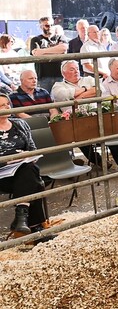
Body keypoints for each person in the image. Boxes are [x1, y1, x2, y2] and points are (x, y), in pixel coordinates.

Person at [0, 94, 56, 242]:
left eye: (7, 104)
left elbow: (33, 149)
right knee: (33, 179)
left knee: (30, 171)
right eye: (1, 106)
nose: (6, 108)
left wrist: (26, 156)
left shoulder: (20, 124)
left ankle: (22, 220)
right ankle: (34, 227)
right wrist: (8, 161)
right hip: (2, 176)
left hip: (22, 171)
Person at [52, 60, 118, 170]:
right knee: (79, 135)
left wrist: (79, 98)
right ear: (63, 73)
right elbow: (62, 95)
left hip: (96, 117)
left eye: (77, 69)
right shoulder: (58, 86)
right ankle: (98, 160)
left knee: (108, 131)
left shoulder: (88, 79)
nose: (76, 71)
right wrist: (87, 90)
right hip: (76, 122)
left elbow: (99, 89)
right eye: (72, 69)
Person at [30, 16, 68, 92]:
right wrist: (56, 51)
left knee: (62, 99)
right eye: (47, 25)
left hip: (60, 74)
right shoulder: (35, 39)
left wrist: (43, 51)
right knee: (45, 99)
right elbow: (36, 54)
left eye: (52, 25)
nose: (50, 27)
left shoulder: (60, 37)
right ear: (41, 27)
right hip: (43, 76)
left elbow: (63, 48)